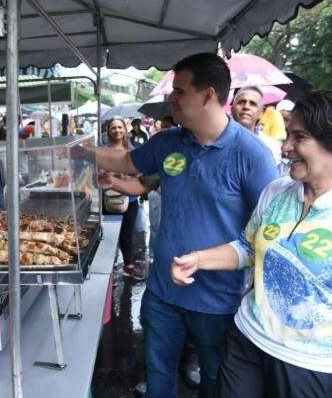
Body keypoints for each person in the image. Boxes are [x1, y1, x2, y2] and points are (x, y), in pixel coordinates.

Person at [88, 52, 278, 398]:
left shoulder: (252, 156)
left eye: (179, 91)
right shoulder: (168, 142)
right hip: (162, 291)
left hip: (218, 299)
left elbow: (267, 233)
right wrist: (83, 150)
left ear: (208, 95)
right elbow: (128, 161)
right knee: (158, 372)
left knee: (214, 380)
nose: (171, 98)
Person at [171, 90, 332, 398]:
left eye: (299, 137)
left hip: (313, 363)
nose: (286, 148)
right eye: (287, 135)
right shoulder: (277, 191)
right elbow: (247, 247)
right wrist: (198, 259)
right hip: (249, 339)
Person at [104, 118, 145, 280]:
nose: (117, 130)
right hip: (109, 198)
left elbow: (141, 172)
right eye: (113, 128)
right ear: (109, 131)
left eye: (120, 127)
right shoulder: (104, 151)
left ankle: (128, 265)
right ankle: (109, 268)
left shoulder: (132, 150)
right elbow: (97, 172)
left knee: (128, 232)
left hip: (130, 199)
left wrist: (127, 174)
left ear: (125, 130)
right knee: (109, 234)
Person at [231, 86, 283, 170]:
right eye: (241, 102)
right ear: (232, 109)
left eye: (253, 104)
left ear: (261, 113)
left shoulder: (271, 145)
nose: (246, 107)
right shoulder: (215, 139)